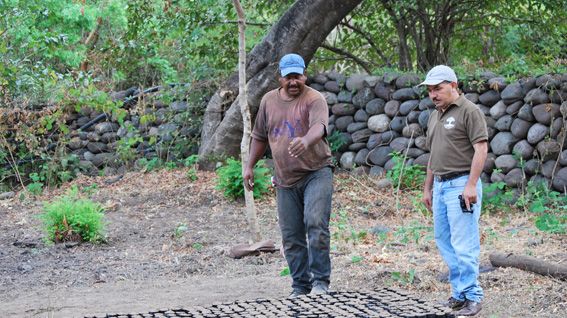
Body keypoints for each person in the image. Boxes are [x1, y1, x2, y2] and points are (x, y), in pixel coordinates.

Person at [243, 53, 334, 298]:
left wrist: (306, 140)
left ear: (305, 75)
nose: (294, 82)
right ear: (279, 78)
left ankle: (320, 283)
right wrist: (249, 166)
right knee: (291, 235)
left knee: (315, 223)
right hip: (285, 178)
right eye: (288, 77)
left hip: (317, 172)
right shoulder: (268, 101)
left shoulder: (314, 99)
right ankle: (300, 286)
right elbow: (260, 136)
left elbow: (320, 126)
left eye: (298, 76)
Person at [420, 65, 488, 316]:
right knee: (444, 240)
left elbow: (481, 148)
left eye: (438, 88)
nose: (433, 94)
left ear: (453, 85)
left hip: (461, 183)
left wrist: (471, 185)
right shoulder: (435, 115)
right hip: (440, 185)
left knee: (464, 242)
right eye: (429, 90)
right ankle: (458, 294)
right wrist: (428, 188)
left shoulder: (470, 111)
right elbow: (433, 154)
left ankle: (472, 295)